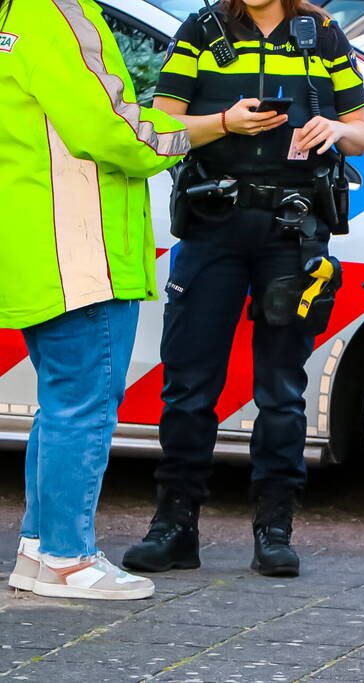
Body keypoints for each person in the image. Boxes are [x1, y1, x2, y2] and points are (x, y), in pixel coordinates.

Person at [123, 0, 364, 578]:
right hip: (213, 226)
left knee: (281, 390)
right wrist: (225, 124)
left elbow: (360, 133)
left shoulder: (323, 33)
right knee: (189, 384)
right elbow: (162, 125)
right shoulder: (204, 30)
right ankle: (175, 525)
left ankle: (275, 528)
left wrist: (336, 129)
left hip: (293, 231)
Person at [0, 0, 190, 599]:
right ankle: (66, 558)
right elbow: (112, 132)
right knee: (85, 406)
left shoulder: (16, 14)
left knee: (61, 404)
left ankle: (39, 548)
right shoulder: (58, 12)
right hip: (80, 252)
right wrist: (201, 130)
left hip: (37, 245)